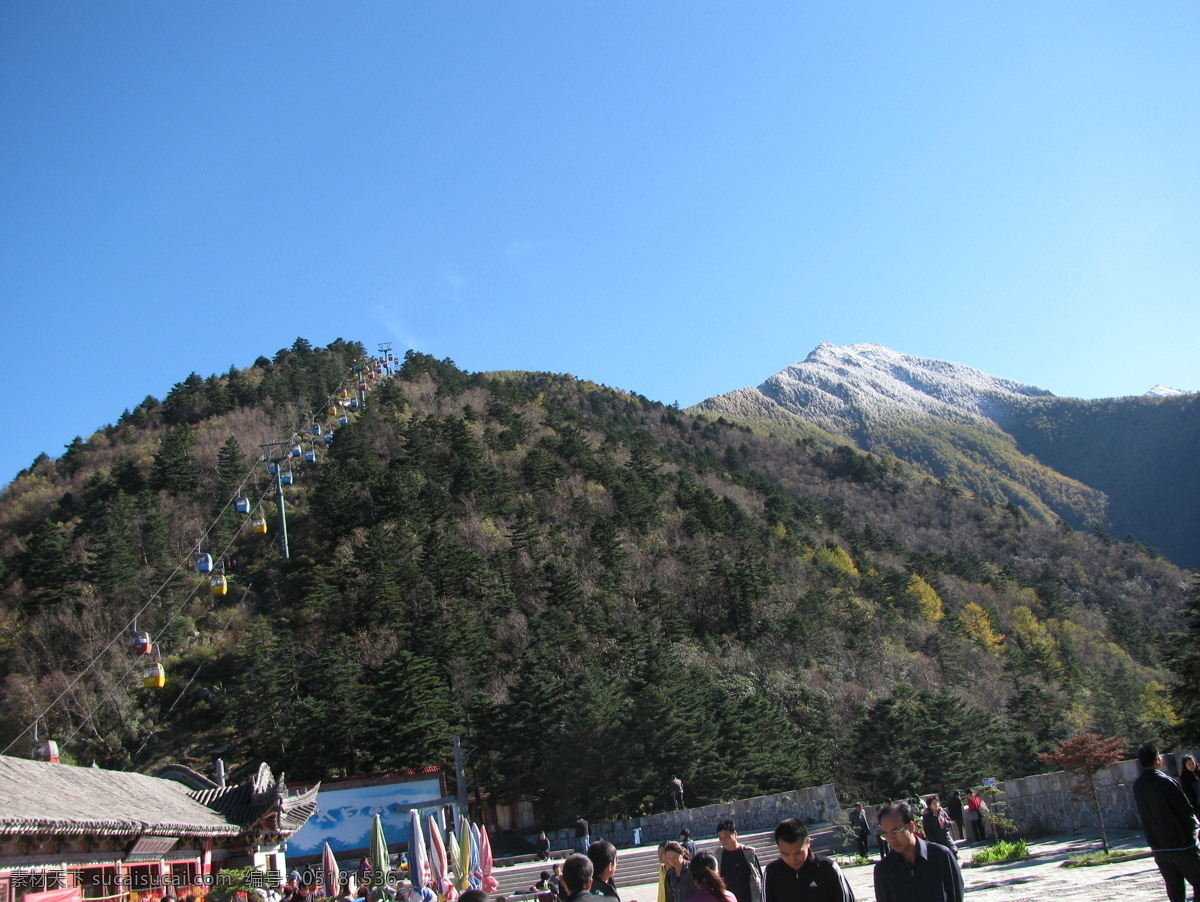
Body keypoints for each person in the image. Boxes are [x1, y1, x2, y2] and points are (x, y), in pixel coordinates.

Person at [1132, 742, 1200, 902]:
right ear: (1157, 759)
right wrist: (1194, 828)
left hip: (1159, 848)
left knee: (1175, 890)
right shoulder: (1166, 782)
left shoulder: (1138, 785)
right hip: (1182, 845)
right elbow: (1185, 811)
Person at [873, 802, 963, 902]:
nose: (891, 839)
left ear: (911, 827)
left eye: (895, 832)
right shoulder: (884, 870)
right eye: (885, 834)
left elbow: (956, 896)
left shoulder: (941, 856)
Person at [763, 818, 853, 902]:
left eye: (798, 853)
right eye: (785, 854)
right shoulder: (772, 872)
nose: (792, 859)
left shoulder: (828, 868)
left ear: (808, 842)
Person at [714, 818, 763, 902]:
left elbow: (759, 877)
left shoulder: (748, 853)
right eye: (720, 837)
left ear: (735, 834)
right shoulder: (718, 855)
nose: (723, 840)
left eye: (726, 836)